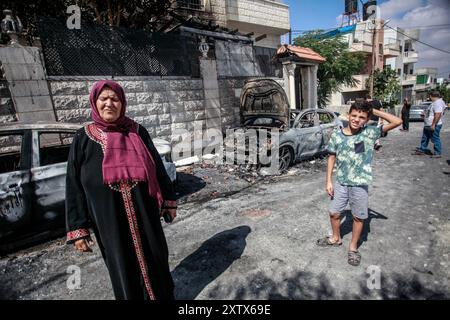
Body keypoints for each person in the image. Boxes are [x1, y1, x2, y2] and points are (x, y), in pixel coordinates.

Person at [65, 80, 177, 300]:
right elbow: (73, 186)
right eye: (103, 99)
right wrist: (79, 228)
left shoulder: (137, 131)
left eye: (114, 99)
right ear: (94, 103)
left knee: (156, 259)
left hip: (146, 216)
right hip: (109, 223)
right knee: (122, 266)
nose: (109, 104)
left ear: (122, 102)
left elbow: (157, 168)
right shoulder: (83, 138)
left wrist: (169, 201)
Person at [316, 101, 402, 266]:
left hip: (360, 184)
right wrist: (328, 181)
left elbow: (397, 122)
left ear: (367, 119)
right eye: (354, 115)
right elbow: (331, 157)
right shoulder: (337, 135)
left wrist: (374, 110)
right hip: (341, 182)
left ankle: (353, 248)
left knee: (358, 216)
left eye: (362, 117)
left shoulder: (370, 133)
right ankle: (335, 238)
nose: (356, 119)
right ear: (348, 115)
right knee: (334, 213)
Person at [413, 91, 444, 158]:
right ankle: (422, 150)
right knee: (425, 137)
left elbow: (438, 114)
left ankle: (437, 153)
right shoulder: (435, 102)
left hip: (433, 124)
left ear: (431, 96)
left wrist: (433, 124)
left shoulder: (438, 103)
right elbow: (433, 113)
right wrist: (425, 115)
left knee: (435, 138)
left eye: (429, 96)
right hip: (428, 124)